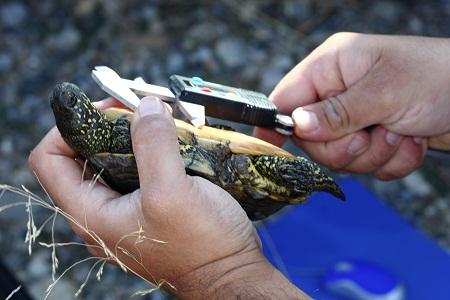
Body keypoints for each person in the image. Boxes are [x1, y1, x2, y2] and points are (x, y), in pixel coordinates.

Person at [28, 32, 450, 299]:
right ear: (81, 123)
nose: (73, 98)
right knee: (268, 171)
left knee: (280, 171)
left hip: (230, 166)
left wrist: (217, 275)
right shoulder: (101, 143)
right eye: (72, 107)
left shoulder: (108, 137)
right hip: (232, 172)